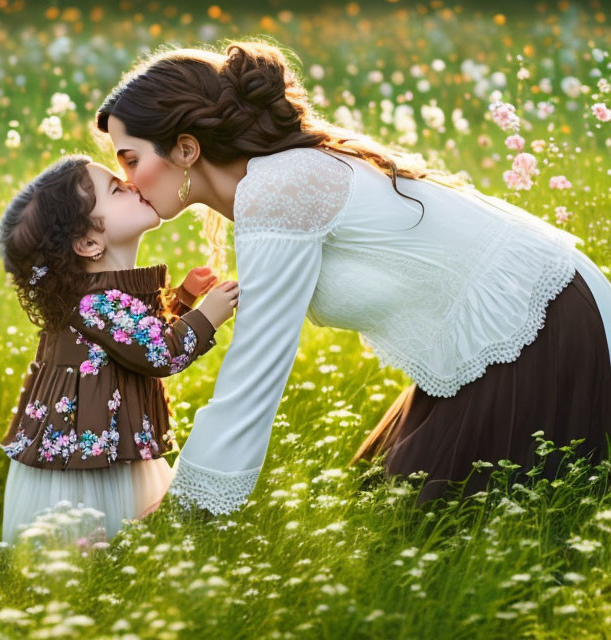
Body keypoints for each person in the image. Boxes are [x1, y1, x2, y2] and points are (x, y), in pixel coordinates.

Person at [94, 39, 611, 514]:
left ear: (186, 149)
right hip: (499, 333)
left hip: (541, 324)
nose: (124, 180)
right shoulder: (275, 181)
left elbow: (259, 364)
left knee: (436, 534)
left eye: (130, 158)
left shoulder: (280, 185)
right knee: (387, 515)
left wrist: (189, 510)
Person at [0, 153, 239, 542]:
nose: (131, 184)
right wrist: (207, 316)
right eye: (114, 189)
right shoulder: (95, 303)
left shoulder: (99, 296)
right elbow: (157, 351)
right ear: (89, 242)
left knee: (123, 542)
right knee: (98, 540)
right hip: (86, 462)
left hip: (100, 442)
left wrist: (182, 300)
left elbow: (137, 334)